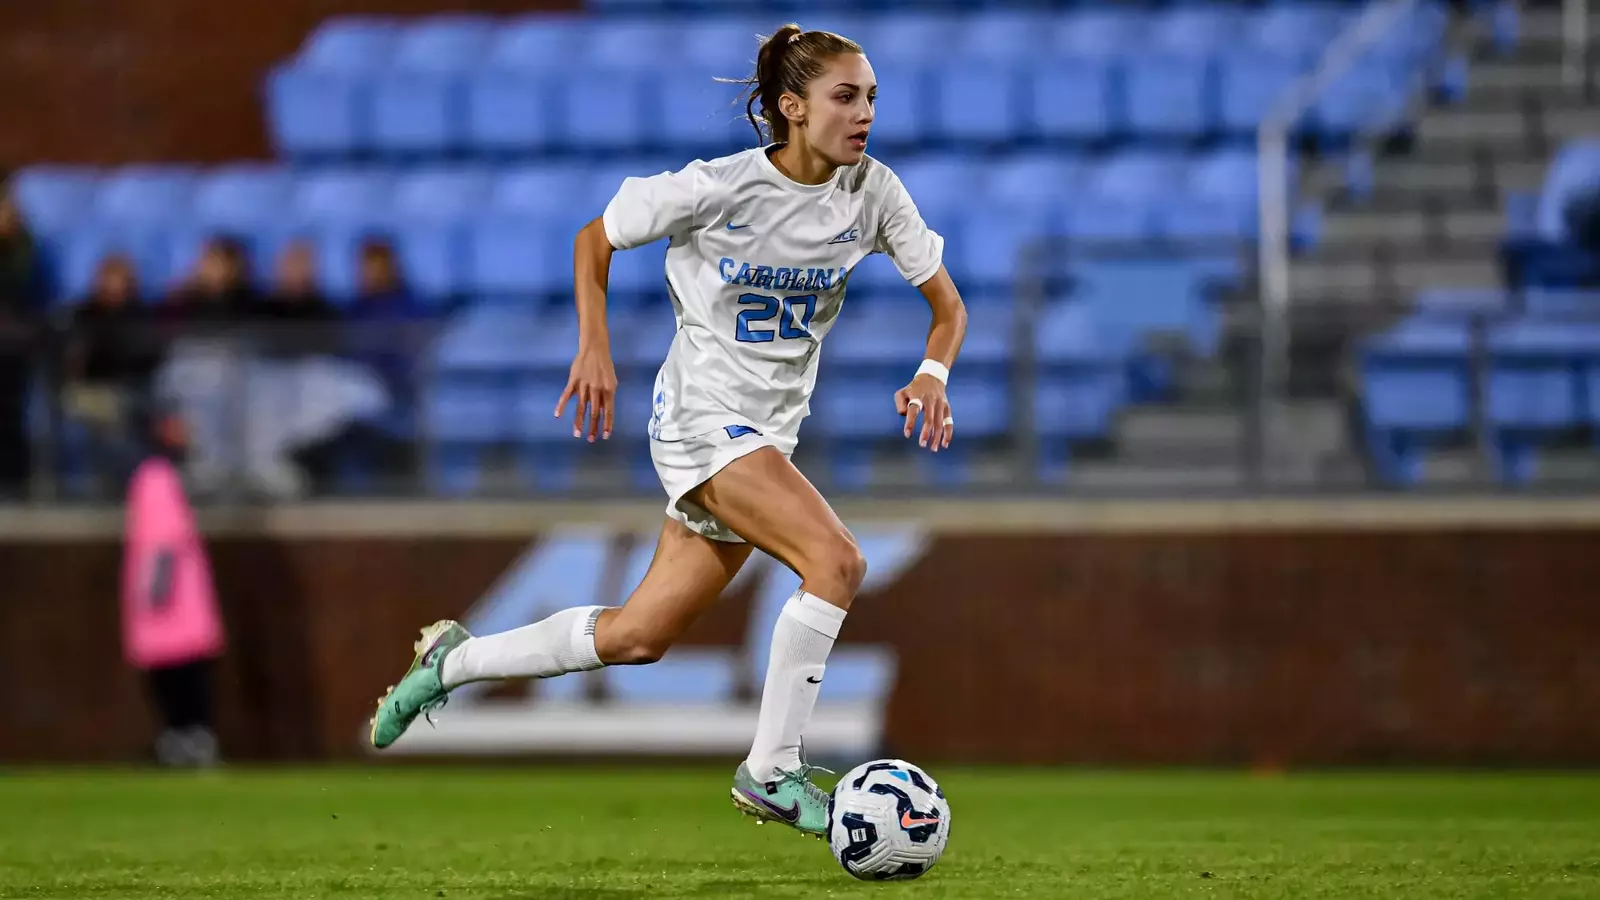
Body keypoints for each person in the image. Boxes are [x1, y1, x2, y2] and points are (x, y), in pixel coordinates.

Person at [369, 24, 968, 838]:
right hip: (699, 421)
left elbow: (948, 307)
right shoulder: (715, 189)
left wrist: (932, 374)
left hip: (767, 433)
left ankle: (454, 661)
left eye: (869, 97)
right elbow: (595, 238)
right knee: (836, 561)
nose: (863, 112)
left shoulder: (874, 193)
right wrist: (594, 346)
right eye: (844, 96)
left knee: (638, 635)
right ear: (791, 107)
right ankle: (772, 771)